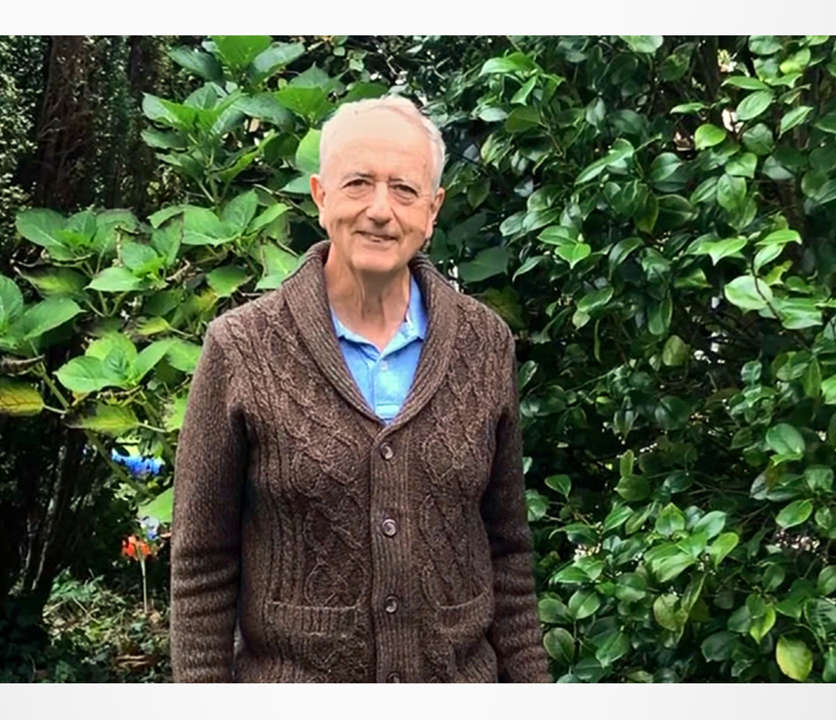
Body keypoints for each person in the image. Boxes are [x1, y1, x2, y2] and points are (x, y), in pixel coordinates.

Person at [169, 95, 550, 683]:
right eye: (358, 184)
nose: (380, 210)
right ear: (321, 196)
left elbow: (508, 556)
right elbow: (202, 565)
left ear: (433, 210)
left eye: (404, 189)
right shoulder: (242, 347)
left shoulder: (484, 343)